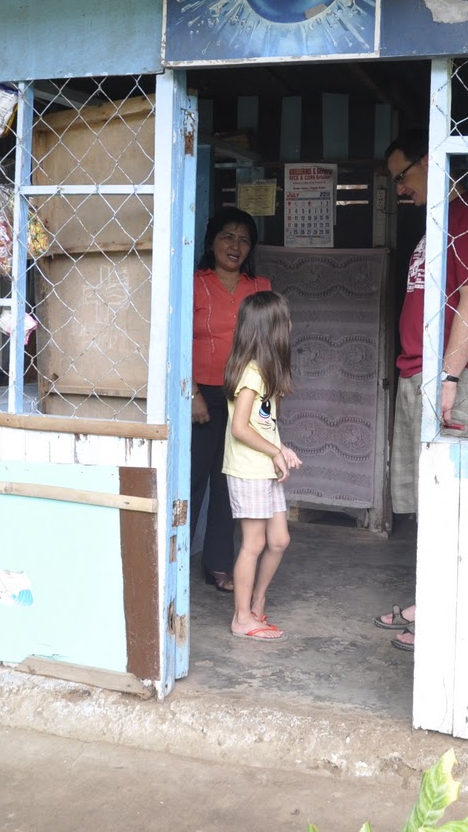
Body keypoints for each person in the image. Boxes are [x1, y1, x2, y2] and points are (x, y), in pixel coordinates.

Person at [375, 130, 468, 653]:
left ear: (430, 162)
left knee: (450, 499)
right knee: (429, 501)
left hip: (447, 380)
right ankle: (431, 597)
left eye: (402, 176)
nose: (398, 190)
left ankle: (448, 610)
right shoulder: (434, 222)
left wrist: (448, 378)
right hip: (419, 375)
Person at [191, 208, 271, 593]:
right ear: (211, 241)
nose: (235, 246)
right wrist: (190, 393)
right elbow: (174, 344)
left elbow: (270, 344)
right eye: (227, 236)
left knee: (228, 483)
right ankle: (174, 560)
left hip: (243, 397)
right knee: (190, 481)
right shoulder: (193, 284)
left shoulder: (260, 288)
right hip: (200, 396)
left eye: (243, 239)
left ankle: (217, 564)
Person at [222, 290, 301, 642]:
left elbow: (260, 424)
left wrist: (280, 448)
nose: (291, 325)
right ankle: (241, 618)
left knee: (279, 540)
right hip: (248, 469)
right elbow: (239, 428)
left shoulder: (266, 373)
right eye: (285, 320)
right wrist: (273, 452)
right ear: (271, 330)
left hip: (265, 468)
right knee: (253, 544)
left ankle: (256, 602)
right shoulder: (251, 374)